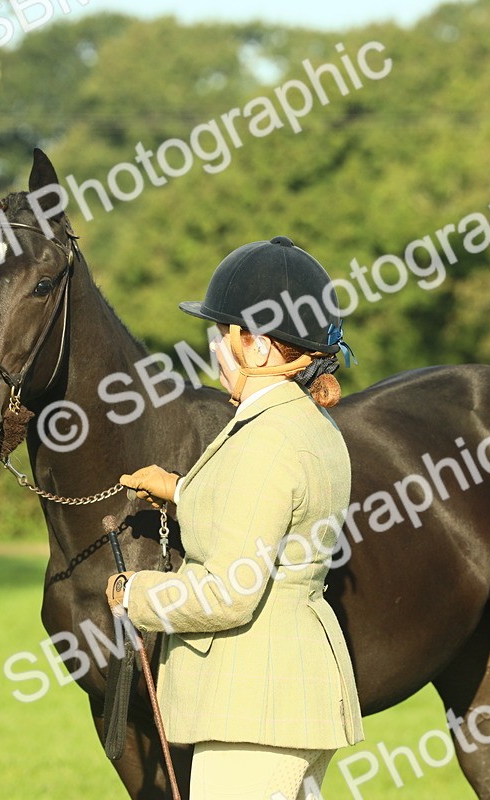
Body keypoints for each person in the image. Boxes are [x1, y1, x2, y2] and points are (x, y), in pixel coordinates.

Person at [105, 236, 363, 800]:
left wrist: (135, 593)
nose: (216, 351)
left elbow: (229, 591)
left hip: (254, 706)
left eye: (223, 336)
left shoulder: (263, 441)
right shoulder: (309, 426)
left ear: (262, 348)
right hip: (291, 693)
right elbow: (275, 518)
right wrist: (183, 493)